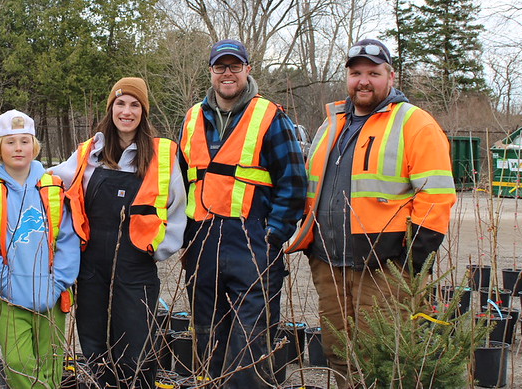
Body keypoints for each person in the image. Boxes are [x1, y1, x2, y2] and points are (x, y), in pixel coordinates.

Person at [285, 38, 456, 388]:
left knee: (379, 355)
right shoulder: (331, 124)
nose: (363, 80)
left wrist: (409, 259)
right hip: (329, 262)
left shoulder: (415, 123)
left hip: (383, 268)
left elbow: (436, 195)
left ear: (391, 77)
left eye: (373, 73)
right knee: (337, 350)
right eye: (356, 73)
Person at [178, 39, 307, 388]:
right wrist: (186, 238)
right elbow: (180, 182)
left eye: (235, 66)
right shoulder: (192, 119)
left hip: (252, 243)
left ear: (248, 70)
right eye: (220, 67)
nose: (227, 73)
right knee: (209, 341)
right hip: (203, 245)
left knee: (250, 346)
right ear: (211, 72)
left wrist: (271, 236)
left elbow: (294, 182)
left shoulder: (270, 116)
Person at [51, 77, 187, 389]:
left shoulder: (162, 155)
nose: (126, 111)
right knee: (95, 349)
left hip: (136, 269)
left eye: (134, 105)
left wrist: (158, 249)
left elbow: (178, 207)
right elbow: (50, 182)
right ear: (111, 108)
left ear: (144, 112)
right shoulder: (88, 153)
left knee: (134, 354)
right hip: (92, 268)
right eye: (120, 103)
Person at [0, 110, 80, 389]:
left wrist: (57, 283)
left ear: (34, 145)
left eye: (25, 141)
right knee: (19, 363)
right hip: (6, 296)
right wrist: (5, 286)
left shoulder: (54, 187)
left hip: (51, 294)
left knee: (51, 365)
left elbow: (69, 241)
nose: (18, 148)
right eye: (10, 142)